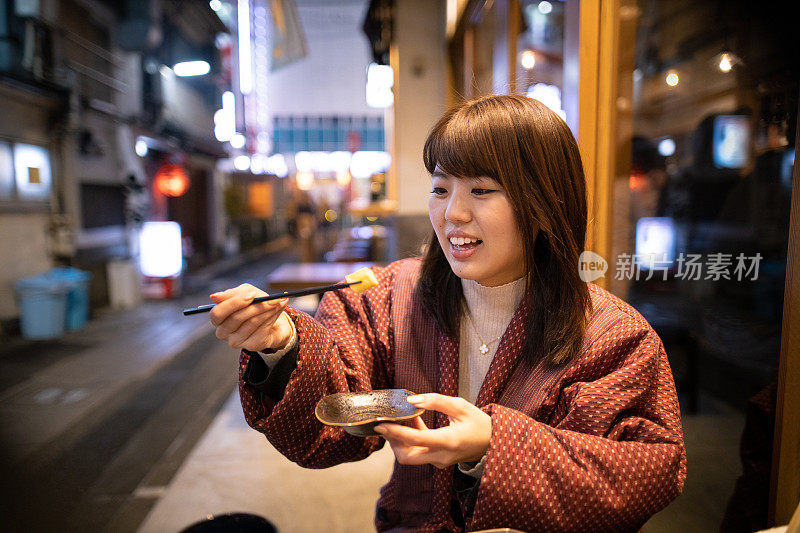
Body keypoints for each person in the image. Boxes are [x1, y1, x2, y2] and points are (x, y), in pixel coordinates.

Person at [209, 94, 686, 532]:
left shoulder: (611, 333)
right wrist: (279, 342)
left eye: (481, 190)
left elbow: (643, 471)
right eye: (440, 188)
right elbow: (329, 412)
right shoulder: (393, 295)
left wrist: (492, 446)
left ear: (543, 202)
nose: (452, 213)